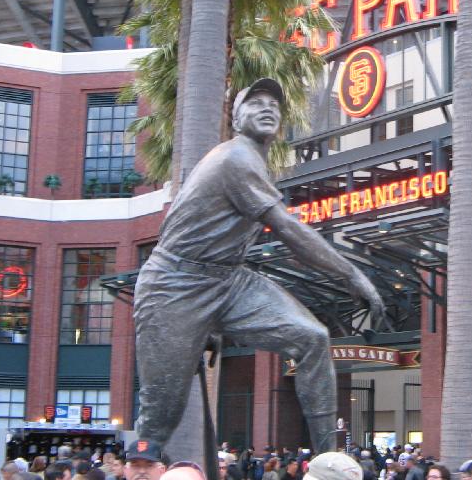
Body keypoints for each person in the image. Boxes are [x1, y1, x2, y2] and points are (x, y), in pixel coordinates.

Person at [133, 77, 385, 454]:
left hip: (228, 278)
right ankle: (142, 467)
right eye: (255, 103)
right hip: (175, 284)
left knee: (312, 337)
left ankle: (327, 462)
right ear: (236, 120)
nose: (268, 108)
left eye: (275, 104)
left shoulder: (251, 160)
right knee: (159, 417)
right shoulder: (235, 156)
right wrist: (351, 274)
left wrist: (215, 316)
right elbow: (286, 228)